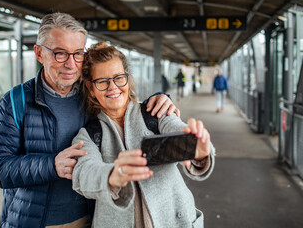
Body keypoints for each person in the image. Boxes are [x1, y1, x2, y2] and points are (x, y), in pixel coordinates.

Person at [0, 12, 179, 228]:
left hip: (89, 219)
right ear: (39, 53)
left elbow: (123, 103)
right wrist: (51, 165)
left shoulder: (92, 93)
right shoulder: (14, 102)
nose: (71, 64)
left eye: (78, 53)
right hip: (33, 221)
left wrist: (160, 101)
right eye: (60, 53)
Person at [72, 42, 215, 227]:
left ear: (128, 79)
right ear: (91, 89)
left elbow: (178, 129)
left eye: (118, 78)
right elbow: (84, 173)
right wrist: (111, 176)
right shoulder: (88, 135)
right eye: (102, 82)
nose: (113, 87)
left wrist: (198, 148)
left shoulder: (155, 113)